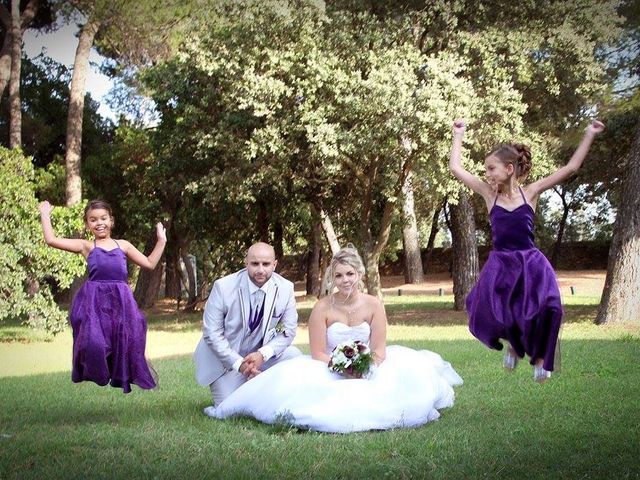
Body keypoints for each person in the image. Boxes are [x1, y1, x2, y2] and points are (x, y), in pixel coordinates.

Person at [206, 245, 463, 433]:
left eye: (350, 274)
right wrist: (342, 367)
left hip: (371, 365)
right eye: (339, 275)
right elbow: (317, 352)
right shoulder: (322, 307)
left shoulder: (374, 305)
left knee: (400, 392)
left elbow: (379, 349)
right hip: (327, 365)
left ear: (359, 274)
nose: (345, 280)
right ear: (333, 278)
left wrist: (364, 367)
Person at [449, 119, 605, 382]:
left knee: (551, 307)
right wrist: (458, 135)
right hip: (501, 264)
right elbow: (456, 168)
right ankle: (514, 345)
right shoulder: (489, 195)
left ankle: (542, 359)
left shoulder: (530, 193)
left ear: (509, 169)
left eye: (491, 168)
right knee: (501, 311)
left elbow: (571, 167)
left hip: (530, 262)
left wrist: (589, 134)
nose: (487, 174)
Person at [38, 199, 166, 393]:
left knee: (127, 340)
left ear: (111, 220)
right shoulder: (86, 246)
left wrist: (161, 240)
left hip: (121, 303)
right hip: (95, 304)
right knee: (95, 343)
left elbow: (149, 263)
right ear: (87, 224)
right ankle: (97, 372)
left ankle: (122, 373)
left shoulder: (123, 245)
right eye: (93, 220)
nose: (99, 223)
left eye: (103, 218)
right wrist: (45, 213)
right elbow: (51, 240)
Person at [193, 242, 301, 406]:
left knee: (294, 356)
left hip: (260, 357)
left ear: (274, 264)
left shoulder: (285, 288)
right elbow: (212, 334)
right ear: (246, 263)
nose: (260, 270)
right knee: (228, 407)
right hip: (227, 362)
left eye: (266, 264)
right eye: (255, 264)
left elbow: (289, 330)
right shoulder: (223, 287)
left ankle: (262, 386)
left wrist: (262, 355)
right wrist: (239, 364)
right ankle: (254, 384)